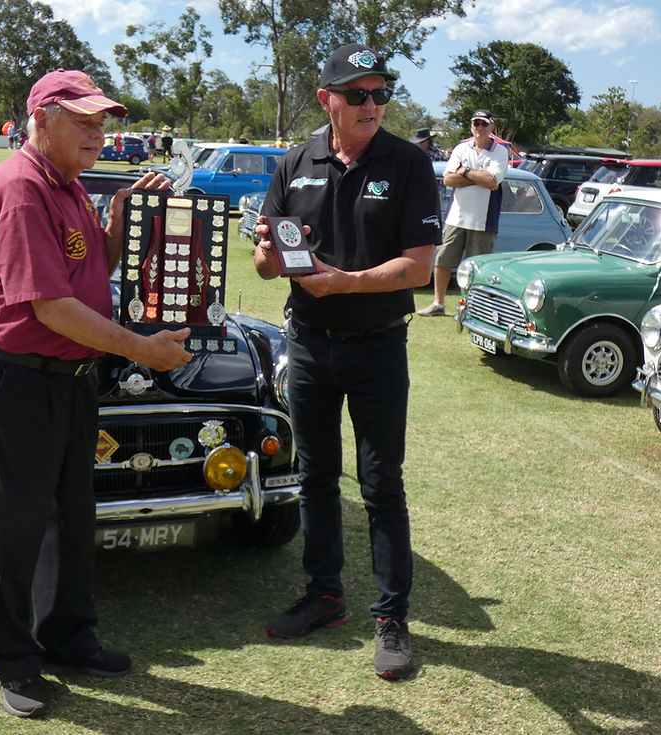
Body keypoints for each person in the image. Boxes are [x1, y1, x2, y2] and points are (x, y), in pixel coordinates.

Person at [0, 69, 192, 718]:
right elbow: (48, 305)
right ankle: (14, 658)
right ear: (42, 120)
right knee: (14, 527)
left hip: (70, 380)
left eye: (103, 123)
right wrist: (141, 347)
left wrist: (119, 221)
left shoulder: (68, 186)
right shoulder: (20, 187)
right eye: (85, 121)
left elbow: (96, 269)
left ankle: (67, 637)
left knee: (72, 516)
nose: (100, 134)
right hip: (21, 377)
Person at [253, 42, 439, 680]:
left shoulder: (408, 162)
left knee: (382, 484)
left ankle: (391, 616)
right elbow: (263, 260)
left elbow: (421, 265)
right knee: (315, 477)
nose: (371, 105)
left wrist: (347, 281)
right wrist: (271, 254)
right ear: (326, 99)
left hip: (378, 344)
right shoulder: (294, 162)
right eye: (357, 94)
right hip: (306, 342)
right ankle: (324, 596)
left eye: (380, 94)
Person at [418, 109, 508, 316]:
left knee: (478, 268)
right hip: (456, 217)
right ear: (471, 126)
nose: (480, 128)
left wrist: (465, 172)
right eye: (476, 123)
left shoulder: (500, 152)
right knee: (442, 261)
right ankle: (438, 304)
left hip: (483, 220)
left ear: (491, 127)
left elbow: (492, 181)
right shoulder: (461, 148)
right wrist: (477, 177)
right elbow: (448, 180)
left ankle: (473, 308)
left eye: (484, 124)